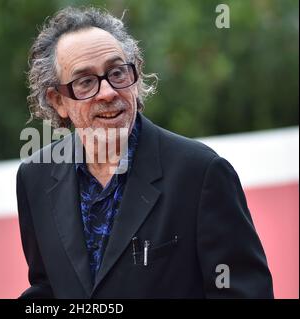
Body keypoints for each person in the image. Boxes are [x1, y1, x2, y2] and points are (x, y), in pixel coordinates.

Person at [16, 6, 273, 298]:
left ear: (135, 76)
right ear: (57, 101)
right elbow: (48, 288)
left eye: (117, 72)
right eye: (85, 82)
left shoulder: (201, 173)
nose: (108, 92)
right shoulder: (35, 177)